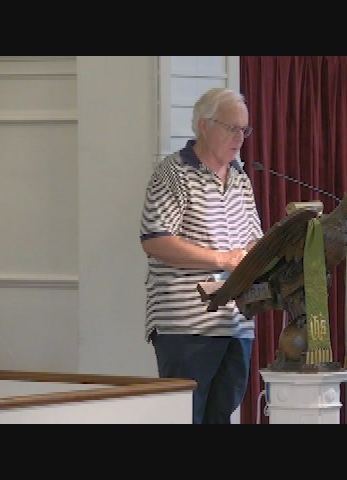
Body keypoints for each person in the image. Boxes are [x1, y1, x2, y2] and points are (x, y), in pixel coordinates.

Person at [139, 87, 263, 424]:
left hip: (235, 323)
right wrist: (223, 260)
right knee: (184, 417)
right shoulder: (173, 173)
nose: (240, 138)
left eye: (245, 130)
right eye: (232, 128)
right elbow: (156, 241)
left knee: (221, 417)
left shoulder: (240, 177)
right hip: (186, 325)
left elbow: (254, 239)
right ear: (204, 125)